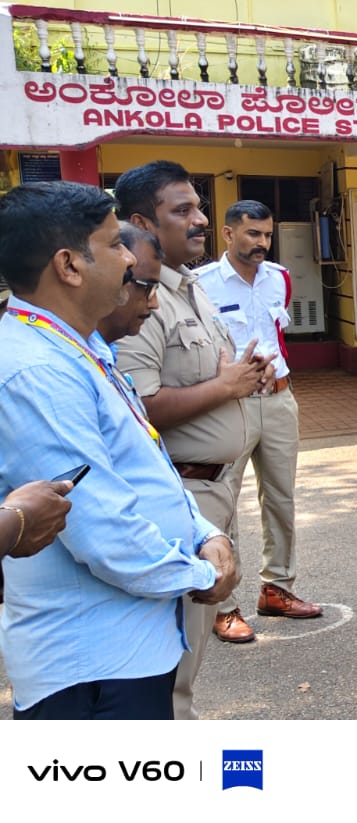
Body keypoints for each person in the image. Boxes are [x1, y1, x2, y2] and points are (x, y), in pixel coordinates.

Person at [0, 180, 238, 719]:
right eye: (114, 244)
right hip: (94, 669)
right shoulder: (38, 371)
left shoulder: (78, 346)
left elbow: (143, 465)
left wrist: (208, 533)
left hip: (126, 652)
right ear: (69, 265)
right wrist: (203, 574)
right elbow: (100, 527)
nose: (130, 256)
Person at [114, 162, 270, 668]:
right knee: (175, 662)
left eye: (199, 207)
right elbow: (136, 409)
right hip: (184, 491)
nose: (201, 220)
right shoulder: (139, 300)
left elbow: (210, 378)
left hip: (217, 488)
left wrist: (244, 378)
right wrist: (225, 386)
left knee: (191, 655)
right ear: (142, 222)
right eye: (183, 211)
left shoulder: (189, 285)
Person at [196, 200, 324, 632]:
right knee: (222, 503)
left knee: (281, 498)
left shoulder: (279, 279)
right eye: (252, 234)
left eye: (267, 235)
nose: (262, 243)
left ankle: (278, 588)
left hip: (279, 399)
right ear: (228, 234)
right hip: (230, 405)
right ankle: (222, 603)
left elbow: (276, 335)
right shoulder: (202, 285)